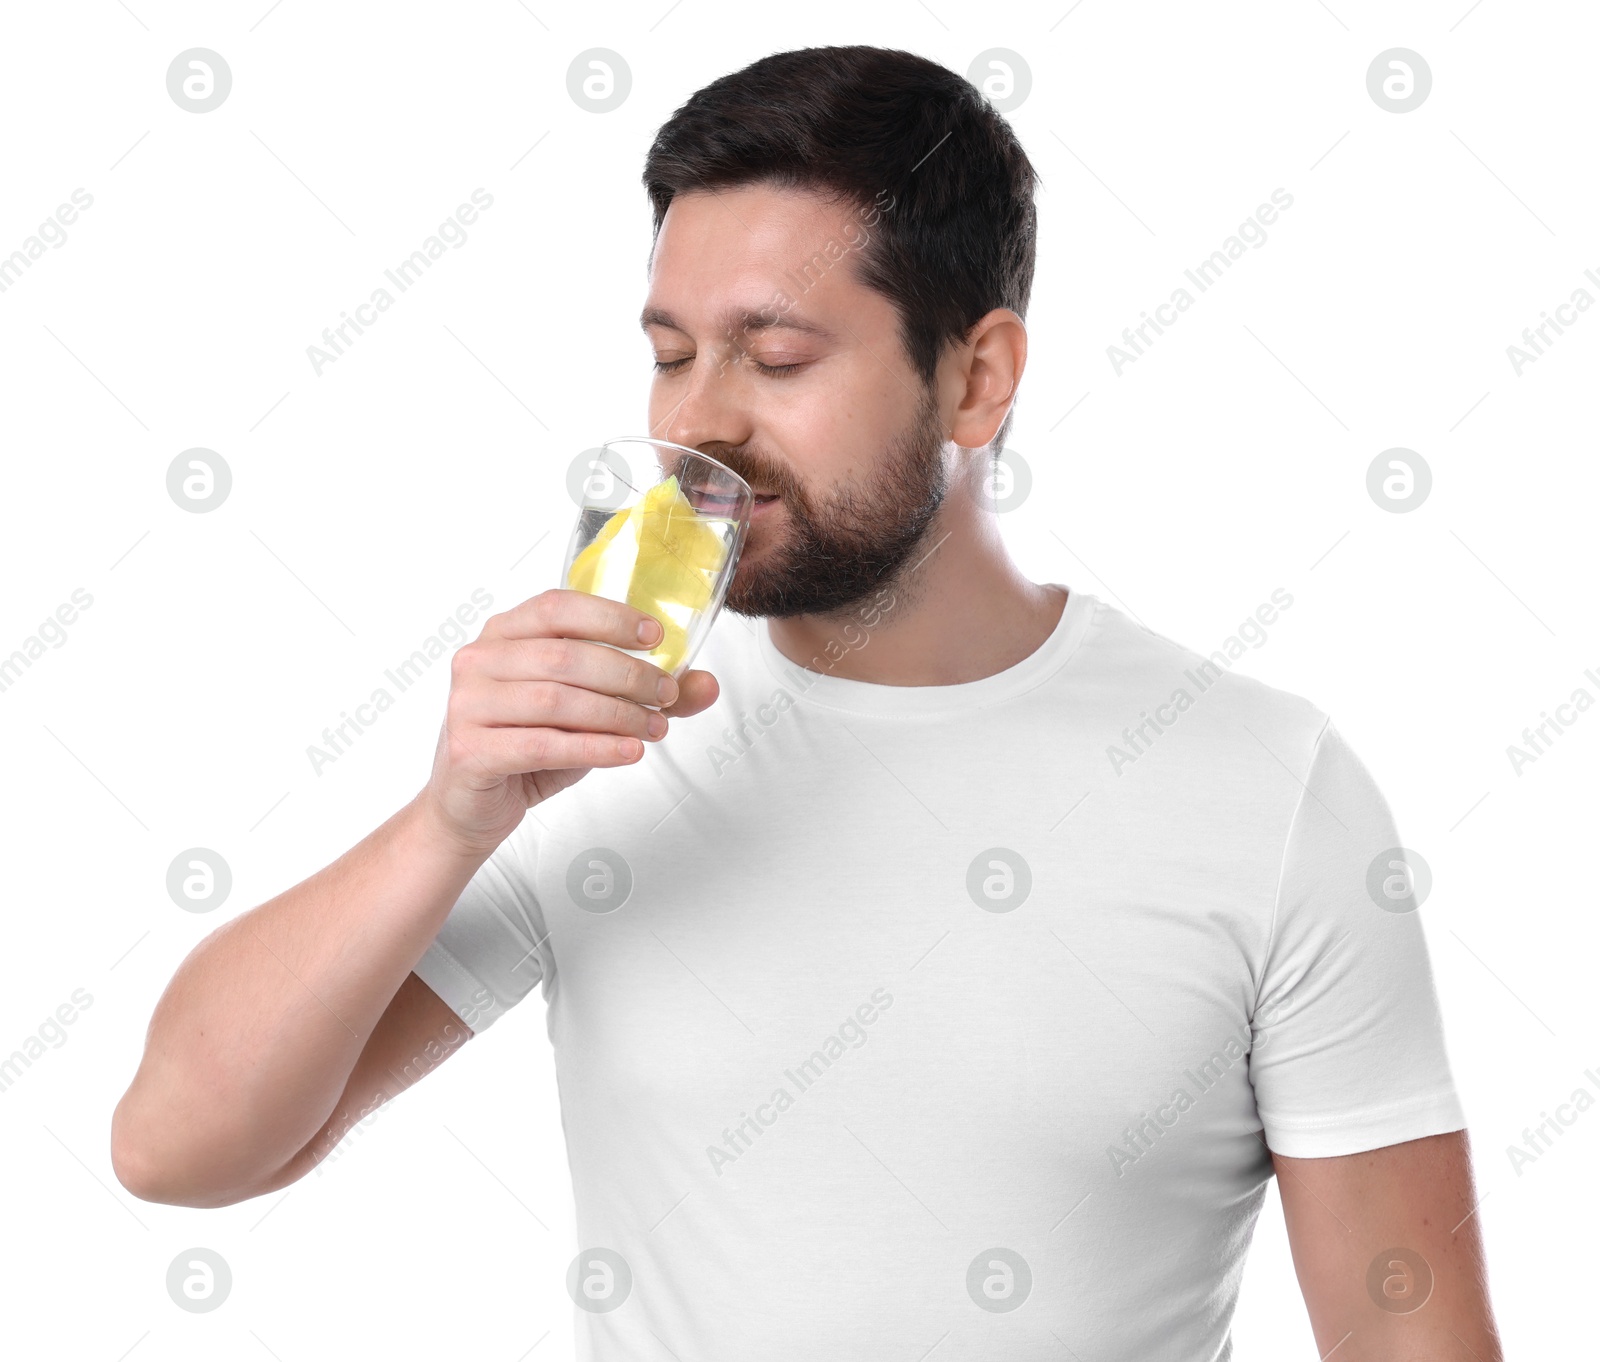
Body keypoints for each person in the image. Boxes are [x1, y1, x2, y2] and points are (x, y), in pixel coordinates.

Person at [112, 44, 1503, 1361]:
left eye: (774, 359)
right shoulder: (601, 740)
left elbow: (1408, 1333)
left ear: (976, 378)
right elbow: (177, 1148)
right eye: (671, 352)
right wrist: (448, 818)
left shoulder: (1264, 785)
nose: (698, 421)